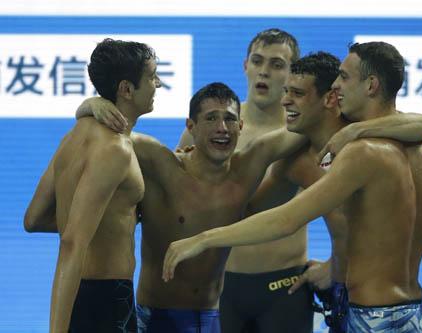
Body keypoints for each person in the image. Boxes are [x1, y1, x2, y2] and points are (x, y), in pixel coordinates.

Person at [163, 42, 422, 333]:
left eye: (343, 77)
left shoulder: (361, 153)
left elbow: (286, 220)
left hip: (370, 312)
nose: (338, 86)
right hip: (407, 311)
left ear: (369, 86)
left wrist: (204, 238)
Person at [76, 81, 308, 332]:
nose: (222, 128)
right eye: (211, 119)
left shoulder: (248, 166)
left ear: (241, 127)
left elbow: (307, 127)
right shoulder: (162, 165)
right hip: (156, 317)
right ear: (191, 126)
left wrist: (355, 126)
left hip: (210, 317)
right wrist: (89, 106)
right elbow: (102, 134)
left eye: (230, 119)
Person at [178, 28, 316, 333]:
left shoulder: (305, 134)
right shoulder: (214, 127)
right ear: (245, 66)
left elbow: (343, 207)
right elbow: (178, 201)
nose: (264, 71)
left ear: (294, 73)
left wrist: (338, 264)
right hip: (220, 287)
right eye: (258, 61)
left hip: (285, 287)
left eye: (277, 64)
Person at [24, 38, 160, 332]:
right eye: (151, 77)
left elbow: (34, 219)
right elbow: (72, 242)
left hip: (87, 298)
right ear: (126, 89)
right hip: (107, 303)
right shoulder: (115, 150)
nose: (158, 84)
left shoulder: (73, 137)